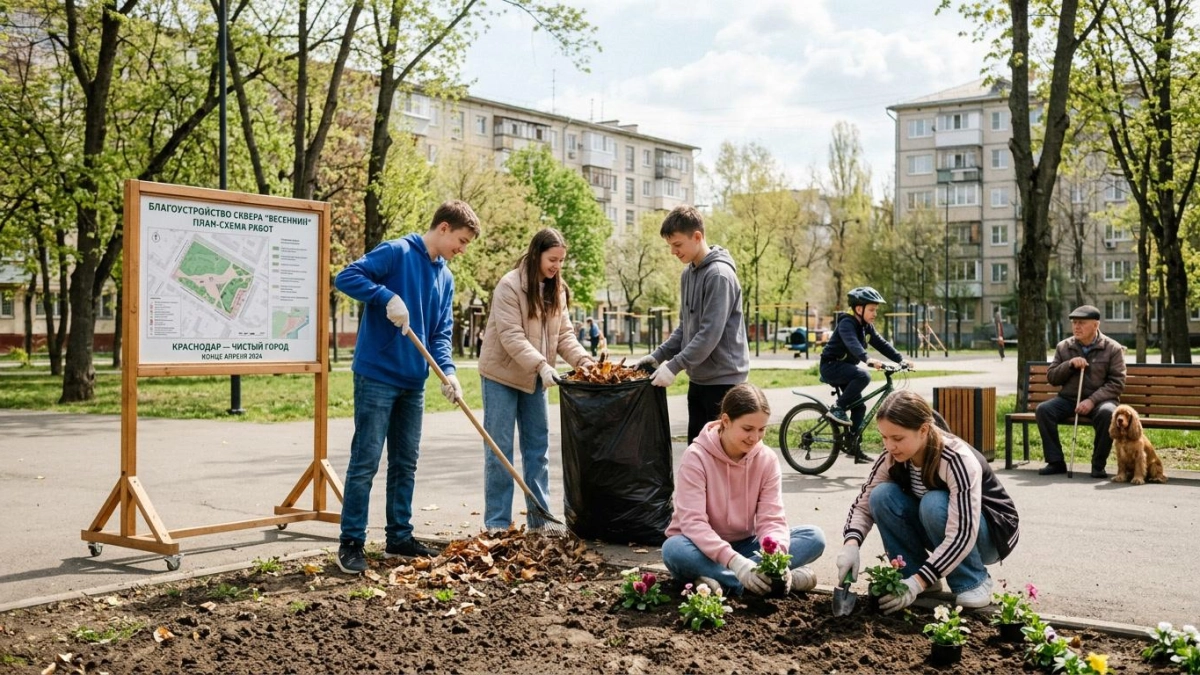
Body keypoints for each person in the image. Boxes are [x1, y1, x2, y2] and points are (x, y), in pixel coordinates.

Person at [333, 200, 480, 574]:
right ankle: (351, 542)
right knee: (366, 460)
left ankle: (399, 537)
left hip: (413, 382)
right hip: (377, 375)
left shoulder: (445, 278)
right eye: (461, 241)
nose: (462, 250)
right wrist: (386, 296)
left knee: (405, 462)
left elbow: (440, 334)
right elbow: (346, 277)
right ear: (443, 228)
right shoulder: (397, 252)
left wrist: (448, 373)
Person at [835, 390, 1020, 613]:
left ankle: (973, 581)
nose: (889, 446)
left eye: (897, 438)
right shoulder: (891, 457)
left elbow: (963, 533)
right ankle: (915, 575)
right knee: (881, 496)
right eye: (884, 437)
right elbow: (864, 504)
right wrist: (851, 544)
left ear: (923, 430)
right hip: (942, 528)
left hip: (991, 535)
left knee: (934, 502)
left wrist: (917, 583)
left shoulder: (957, 459)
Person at [478, 228, 594, 532]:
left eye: (561, 260)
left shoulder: (557, 290)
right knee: (500, 451)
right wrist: (542, 365)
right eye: (552, 259)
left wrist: (583, 361)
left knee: (538, 450)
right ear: (536, 254)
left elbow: (564, 335)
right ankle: (497, 523)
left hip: (535, 378)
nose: (557, 266)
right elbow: (511, 336)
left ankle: (540, 522)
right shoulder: (509, 286)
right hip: (501, 376)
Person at [662, 383, 826, 596]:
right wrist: (737, 564)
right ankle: (763, 583)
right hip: (700, 547)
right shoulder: (696, 457)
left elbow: (771, 519)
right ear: (726, 421)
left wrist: (775, 558)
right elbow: (693, 523)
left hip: (747, 545)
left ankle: (729, 582)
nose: (755, 438)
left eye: (761, 429)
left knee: (814, 537)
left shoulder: (767, 459)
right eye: (748, 429)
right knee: (673, 549)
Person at [636, 205, 750, 444]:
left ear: (697, 237)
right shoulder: (688, 274)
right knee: (697, 453)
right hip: (699, 380)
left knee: (719, 455)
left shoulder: (719, 275)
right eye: (670, 246)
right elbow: (685, 329)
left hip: (724, 384)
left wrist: (673, 366)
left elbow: (709, 335)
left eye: (677, 244)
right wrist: (657, 357)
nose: (673, 252)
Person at [820, 286, 911, 461]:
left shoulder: (866, 326)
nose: (875, 313)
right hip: (831, 366)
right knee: (863, 375)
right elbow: (852, 343)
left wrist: (901, 360)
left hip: (846, 369)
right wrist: (867, 359)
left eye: (876, 310)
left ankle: (853, 446)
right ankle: (837, 408)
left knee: (859, 407)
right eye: (871, 309)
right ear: (858, 309)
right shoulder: (846, 323)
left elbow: (882, 344)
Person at [1035, 304, 1126, 478]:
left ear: (1096, 325)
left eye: (1082, 323)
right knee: (1044, 410)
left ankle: (1098, 465)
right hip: (1069, 399)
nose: (1076, 327)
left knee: (1108, 413)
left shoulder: (1112, 348)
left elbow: (1117, 383)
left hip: (1100, 401)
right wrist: (1069, 365)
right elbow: (1052, 377)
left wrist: (1092, 400)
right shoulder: (1064, 346)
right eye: (1074, 322)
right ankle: (1055, 462)